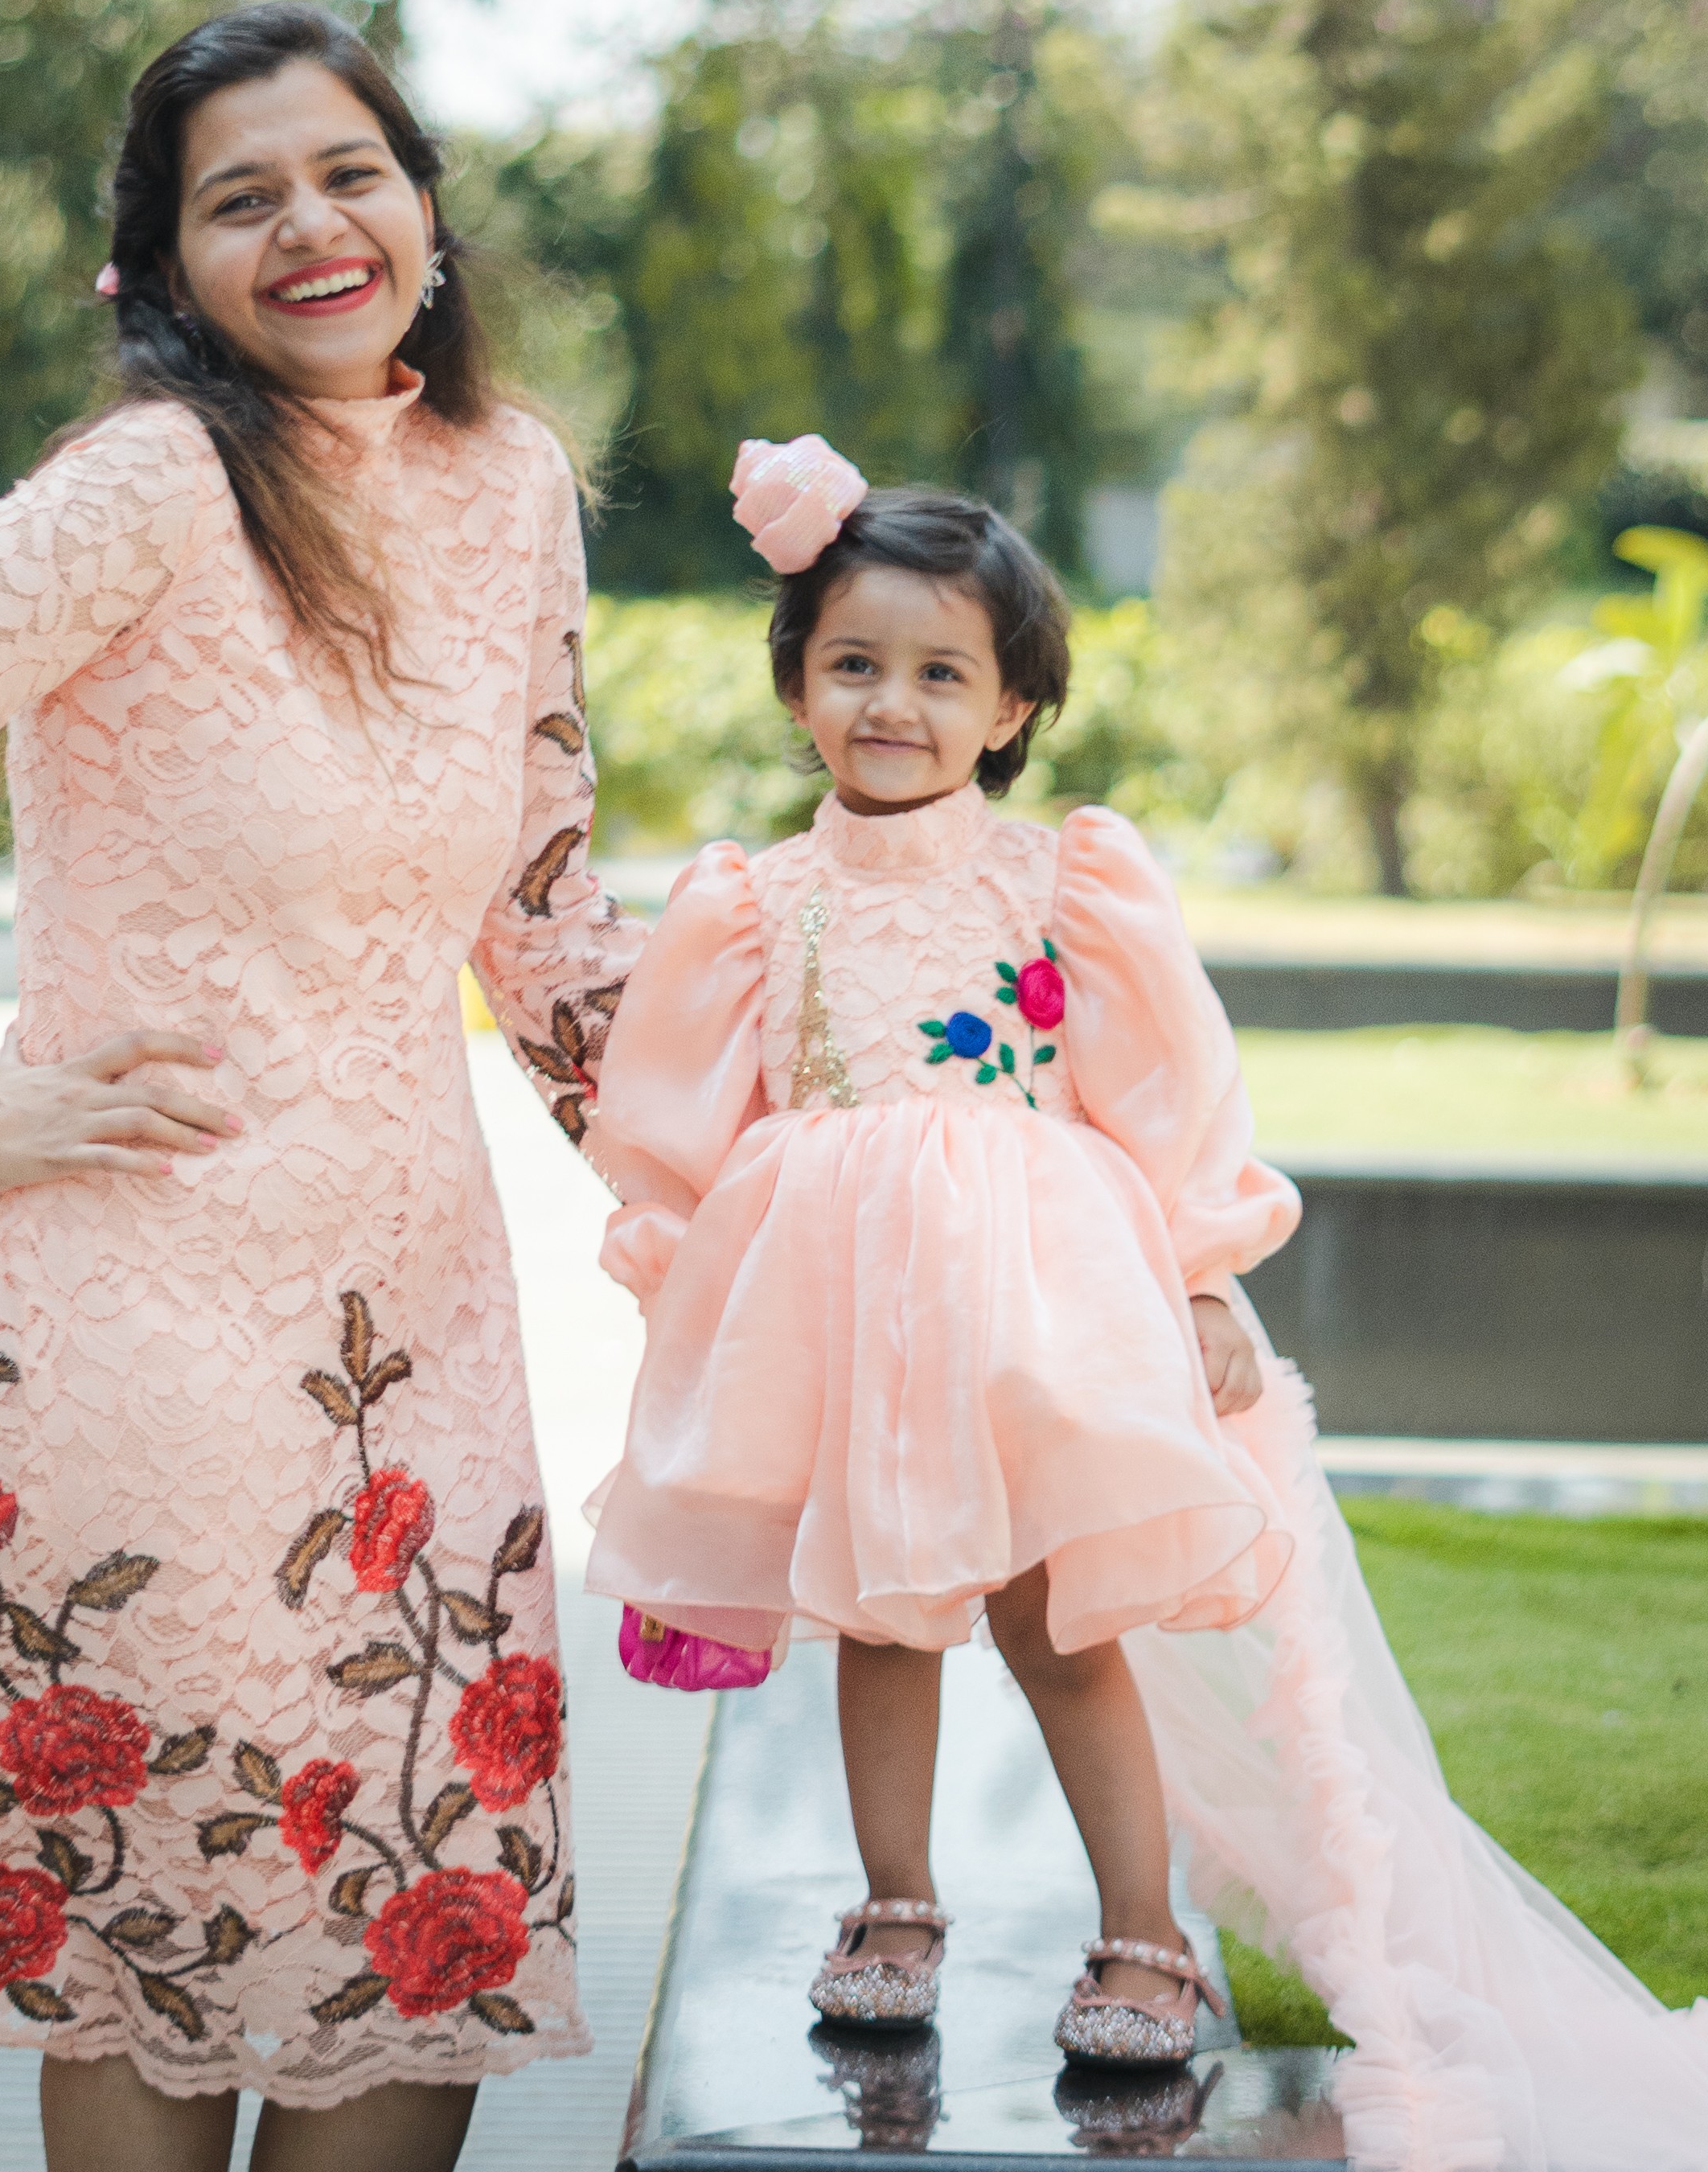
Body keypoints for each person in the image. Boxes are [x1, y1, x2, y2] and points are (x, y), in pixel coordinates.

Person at [0, 1, 643, 2172]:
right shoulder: (143, 489)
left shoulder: (512, 493)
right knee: (158, 1936)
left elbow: (552, 910)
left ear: (426, 207)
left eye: (350, 170)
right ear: (168, 266)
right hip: (129, 1330)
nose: (311, 225)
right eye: (241, 198)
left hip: (415, 1328)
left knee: (422, 1922)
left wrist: (782, 1173)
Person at [583, 436, 1708, 2171]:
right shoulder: (755, 901)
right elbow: (677, 1122)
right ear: (799, 679)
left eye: (941, 670)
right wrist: (681, 1294)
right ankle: (895, 1905)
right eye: (854, 662)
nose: (893, 700)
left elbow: (1159, 1086)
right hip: (848, 1321)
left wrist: (1195, 1273)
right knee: (881, 1619)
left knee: (1058, 1620)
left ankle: (1143, 1931)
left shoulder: (1062, 882)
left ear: (1013, 707)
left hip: (1042, 1311)